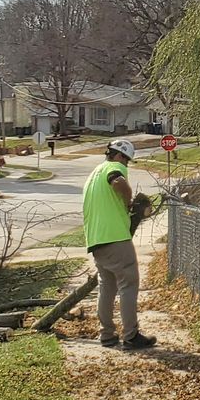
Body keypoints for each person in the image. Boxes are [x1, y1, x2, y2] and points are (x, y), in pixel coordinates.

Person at [83, 139, 155, 350]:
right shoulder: (113, 168)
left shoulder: (93, 175)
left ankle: (106, 335)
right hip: (115, 238)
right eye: (127, 161)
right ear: (120, 156)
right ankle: (131, 336)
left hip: (96, 240)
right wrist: (128, 200)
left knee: (107, 287)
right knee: (128, 284)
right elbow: (118, 182)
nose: (126, 166)